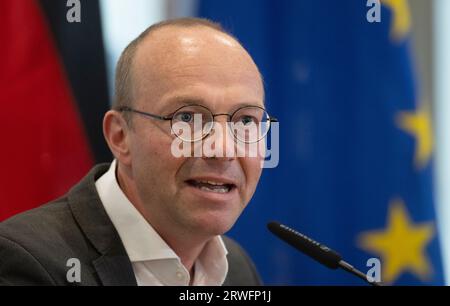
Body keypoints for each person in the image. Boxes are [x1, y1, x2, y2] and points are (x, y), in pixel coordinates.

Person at [0, 17, 276, 286]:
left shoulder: (237, 268)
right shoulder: (28, 263)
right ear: (120, 136)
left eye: (245, 121)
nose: (223, 149)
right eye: (188, 119)